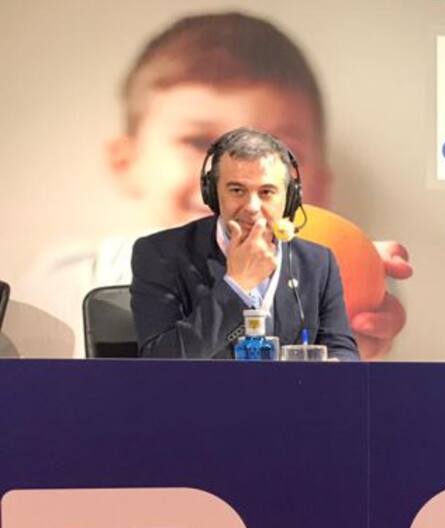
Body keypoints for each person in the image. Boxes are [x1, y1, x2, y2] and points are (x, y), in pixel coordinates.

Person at [22, 11, 409, 359]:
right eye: (198, 142)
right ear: (127, 162)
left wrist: (357, 277)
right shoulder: (72, 277)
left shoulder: (323, 267)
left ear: (315, 184)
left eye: (277, 150)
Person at [131, 128, 358, 360]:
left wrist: (337, 364)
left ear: (290, 197)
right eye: (237, 190)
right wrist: (237, 285)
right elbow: (159, 360)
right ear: (212, 193)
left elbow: (342, 349)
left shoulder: (317, 262)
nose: (252, 207)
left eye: (266, 192)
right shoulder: (160, 254)